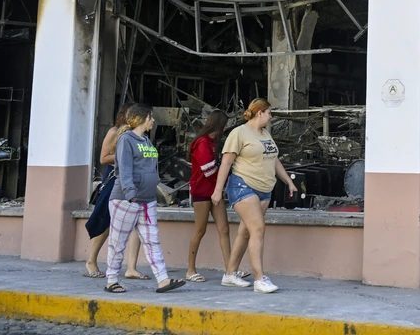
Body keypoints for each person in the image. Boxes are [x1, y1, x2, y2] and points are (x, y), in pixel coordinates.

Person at [211, 98, 297, 293]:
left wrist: (288, 181)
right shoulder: (239, 133)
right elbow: (226, 163)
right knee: (258, 228)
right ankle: (260, 279)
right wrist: (217, 190)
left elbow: (274, 160)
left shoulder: (265, 134)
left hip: (264, 189)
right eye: (269, 113)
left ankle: (230, 274)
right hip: (243, 186)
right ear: (260, 113)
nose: (271, 117)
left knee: (246, 232)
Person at [104, 103, 185, 294]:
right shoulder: (126, 140)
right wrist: (131, 194)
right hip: (127, 200)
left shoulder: (146, 141)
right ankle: (111, 280)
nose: (153, 120)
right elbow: (124, 169)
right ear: (141, 119)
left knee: (152, 241)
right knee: (118, 242)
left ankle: (163, 280)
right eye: (150, 117)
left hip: (147, 200)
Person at [83, 103, 147, 281]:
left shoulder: (138, 134)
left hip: (134, 180)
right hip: (114, 179)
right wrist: (125, 155)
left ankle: (131, 267)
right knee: (105, 221)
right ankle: (91, 260)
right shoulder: (114, 132)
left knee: (137, 222)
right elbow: (103, 158)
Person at [184, 110, 231, 282]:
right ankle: (190, 269)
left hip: (214, 190)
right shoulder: (202, 143)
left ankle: (230, 269)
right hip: (202, 191)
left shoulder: (211, 143)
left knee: (224, 229)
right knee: (200, 230)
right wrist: (225, 169)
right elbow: (208, 170)